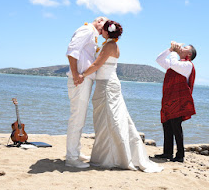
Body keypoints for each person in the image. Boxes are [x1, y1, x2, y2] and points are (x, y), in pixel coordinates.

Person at [81, 20, 163, 173]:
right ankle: (108, 155)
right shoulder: (111, 45)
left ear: (107, 31)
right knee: (109, 119)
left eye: (103, 29)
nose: (101, 32)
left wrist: (82, 75)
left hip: (106, 86)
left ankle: (112, 157)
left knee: (110, 119)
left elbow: (97, 65)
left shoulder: (110, 46)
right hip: (105, 84)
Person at [65, 16, 108, 168]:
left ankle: (75, 152)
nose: (106, 29)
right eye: (105, 25)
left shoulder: (92, 33)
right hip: (80, 79)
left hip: (85, 79)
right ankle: (71, 158)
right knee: (77, 118)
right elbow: (72, 51)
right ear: (99, 20)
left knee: (80, 118)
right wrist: (76, 73)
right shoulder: (86, 30)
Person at [155, 41, 197, 163]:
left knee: (176, 127)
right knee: (167, 126)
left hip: (179, 101)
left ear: (189, 53)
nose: (181, 48)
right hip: (169, 100)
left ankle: (180, 155)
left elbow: (173, 64)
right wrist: (169, 49)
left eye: (184, 48)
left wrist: (173, 52)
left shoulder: (188, 65)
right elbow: (159, 59)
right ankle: (167, 153)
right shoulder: (176, 65)